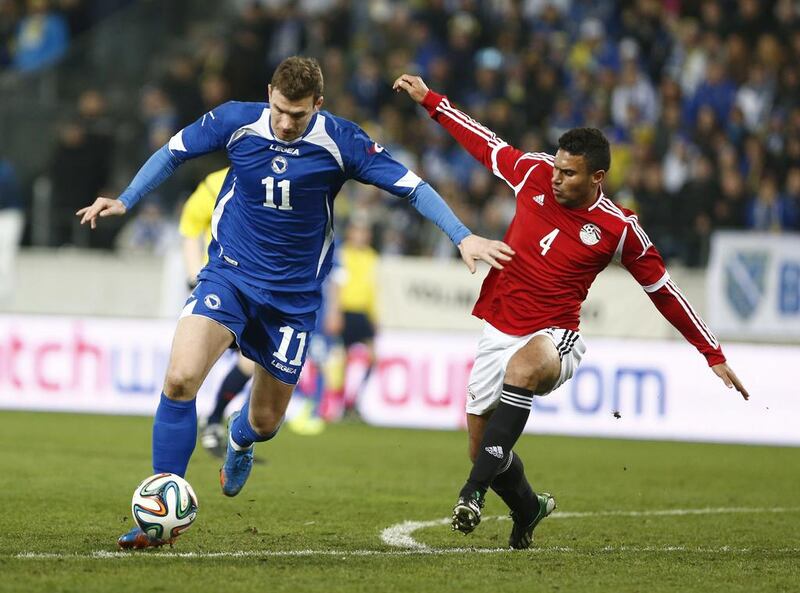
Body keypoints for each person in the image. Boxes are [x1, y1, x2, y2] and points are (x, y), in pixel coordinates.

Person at [77, 56, 511, 550]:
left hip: (293, 300)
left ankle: (239, 437)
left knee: (265, 421)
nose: (286, 122)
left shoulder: (342, 141)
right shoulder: (235, 121)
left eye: (298, 115)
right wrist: (128, 199)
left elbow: (411, 187)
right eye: (280, 109)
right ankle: (161, 513)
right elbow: (174, 152)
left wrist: (461, 235)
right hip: (230, 274)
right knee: (179, 380)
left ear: (317, 106)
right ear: (269, 95)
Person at [393, 74, 750, 550]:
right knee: (483, 450)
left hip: (555, 334)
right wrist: (431, 101)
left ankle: (470, 495)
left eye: (569, 173)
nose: (556, 177)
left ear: (596, 177)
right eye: (557, 168)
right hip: (500, 326)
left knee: (522, 373)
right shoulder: (534, 171)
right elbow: (483, 143)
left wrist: (711, 351)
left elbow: (663, 291)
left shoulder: (619, 229)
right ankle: (529, 507)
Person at [178, 166, 255, 455]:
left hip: (256, 287)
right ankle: (201, 427)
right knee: (191, 366)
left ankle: (213, 422)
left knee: (251, 363)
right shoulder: (213, 184)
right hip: (219, 285)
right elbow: (190, 226)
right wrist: (193, 277)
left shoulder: (270, 176)